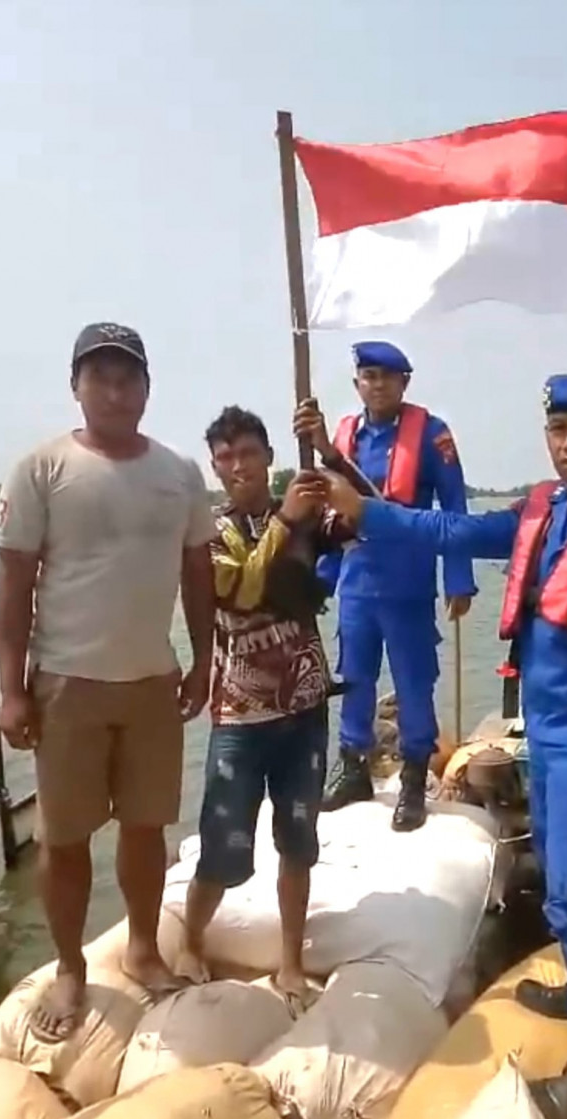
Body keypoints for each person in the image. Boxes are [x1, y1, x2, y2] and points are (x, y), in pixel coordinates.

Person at [321, 371, 567, 1119]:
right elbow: (449, 532)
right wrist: (372, 514)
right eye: (558, 428)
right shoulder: (542, 514)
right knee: (561, 874)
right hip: (549, 736)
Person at [0, 322, 215, 1042]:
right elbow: (13, 586)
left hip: (152, 678)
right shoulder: (41, 469)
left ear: (147, 390)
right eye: (102, 377)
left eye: (129, 379)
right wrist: (13, 690)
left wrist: (205, 658)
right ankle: (68, 965)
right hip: (65, 683)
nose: (116, 391)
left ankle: (145, 948)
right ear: (77, 386)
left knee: (147, 828)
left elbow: (198, 574)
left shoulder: (179, 473)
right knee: (63, 840)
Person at [177, 406, 345, 1013]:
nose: (238, 467)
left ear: (269, 456)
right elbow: (239, 589)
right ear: (215, 468)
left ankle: (292, 963)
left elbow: (375, 518)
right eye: (225, 458)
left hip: (304, 711)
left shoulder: (304, 508)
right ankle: (191, 941)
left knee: (298, 840)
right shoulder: (209, 533)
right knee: (223, 845)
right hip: (238, 716)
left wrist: (328, 454)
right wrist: (287, 523)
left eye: (248, 454)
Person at [294, 341, 477, 832]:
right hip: (357, 579)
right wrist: (318, 580)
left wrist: (459, 577)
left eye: (387, 377)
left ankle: (415, 775)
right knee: (353, 674)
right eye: (368, 376)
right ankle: (353, 763)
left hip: (409, 579)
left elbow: (455, 508)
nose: (377, 385)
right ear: (357, 384)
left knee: (414, 682)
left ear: (405, 383)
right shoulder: (344, 436)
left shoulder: (433, 436)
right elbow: (328, 513)